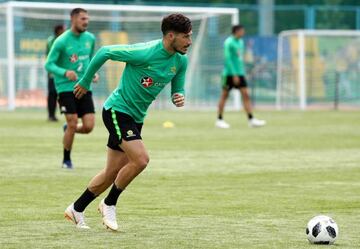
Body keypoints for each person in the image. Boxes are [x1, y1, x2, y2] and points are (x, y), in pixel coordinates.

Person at [64, 13, 192, 230]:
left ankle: (76, 209)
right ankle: (109, 203)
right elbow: (105, 52)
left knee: (111, 172)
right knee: (141, 160)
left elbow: (177, 88)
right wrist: (85, 81)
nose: (189, 42)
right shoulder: (145, 52)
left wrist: (178, 96)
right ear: (171, 36)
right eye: (186, 37)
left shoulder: (181, 60)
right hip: (117, 110)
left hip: (136, 117)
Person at [45, 8, 99, 169]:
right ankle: (66, 160)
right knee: (73, 122)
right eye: (83, 19)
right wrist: (64, 72)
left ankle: (68, 129)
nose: (86, 22)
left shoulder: (90, 38)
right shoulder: (61, 41)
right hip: (65, 88)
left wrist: (92, 74)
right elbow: (48, 64)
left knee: (89, 126)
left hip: (83, 86)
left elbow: (89, 60)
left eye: (87, 19)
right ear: (73, 19)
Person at [215, 25, 266, 128]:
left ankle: (251, 119)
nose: (243, 33)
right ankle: (219, 120)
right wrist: (234, 74)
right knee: (224, 96)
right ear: (236, 31)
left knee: (246, 95)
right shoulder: (228, 42)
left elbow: (239, 59)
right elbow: (228, 59)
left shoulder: (241, 42)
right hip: (229, 74)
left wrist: (242, 73)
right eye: (242, 31)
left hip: (240, 74)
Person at [46, 24, 65, 122]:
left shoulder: (65, 40)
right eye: (63, 30)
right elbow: (51, 57)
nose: (65, 31)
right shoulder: (52, 41)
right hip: (54, 72)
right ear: (58, 31)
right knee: (52, 93)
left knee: (63, 93)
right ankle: (51, 115)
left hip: (63, 73)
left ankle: (65, 111)